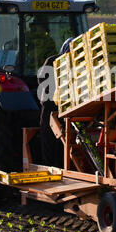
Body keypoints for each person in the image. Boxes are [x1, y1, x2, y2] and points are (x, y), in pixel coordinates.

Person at [38, 38, 74, 167]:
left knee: (58, 145)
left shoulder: (56, 61)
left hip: (64, 110)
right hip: (52, 109)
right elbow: (42, 80)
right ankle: (53, 169)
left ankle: (58, 169)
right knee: (52, 143)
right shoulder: (53, 62)